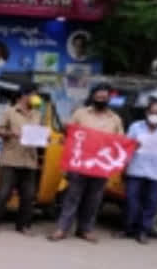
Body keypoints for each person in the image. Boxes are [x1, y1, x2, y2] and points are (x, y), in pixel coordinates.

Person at [49, 83, 123, 243]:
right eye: (98, 96)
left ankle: (85, 230)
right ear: (92, 96)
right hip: (79, 164)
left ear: (109, 98)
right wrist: (67, 134)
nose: (101, 99)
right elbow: (68, 134)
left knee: (93, 200)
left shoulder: (115, 119)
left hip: (100, 167)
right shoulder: (80, 114)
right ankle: (62, 228)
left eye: (104, 97)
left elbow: (119, 142)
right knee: (72, 197)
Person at [118, 99, 157, 244]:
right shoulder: (136, 127)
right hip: (135, 170)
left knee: (151, 203)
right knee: (131, 200)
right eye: (152, 112)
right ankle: (128, 228)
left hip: (156, 173)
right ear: (146, 112)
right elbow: (126, 146)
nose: (155, 115)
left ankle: (143, 231)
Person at [0, 85, 42, 235]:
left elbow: (38, 133)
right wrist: (12, 133)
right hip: (11, 159)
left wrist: (44, 137)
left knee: (28, 196)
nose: (36, 98)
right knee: (4, 193)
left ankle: (23, 226)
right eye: (34, 95)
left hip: (30, 160)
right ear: (24, 96)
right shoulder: (10, 112)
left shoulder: (37, 114)